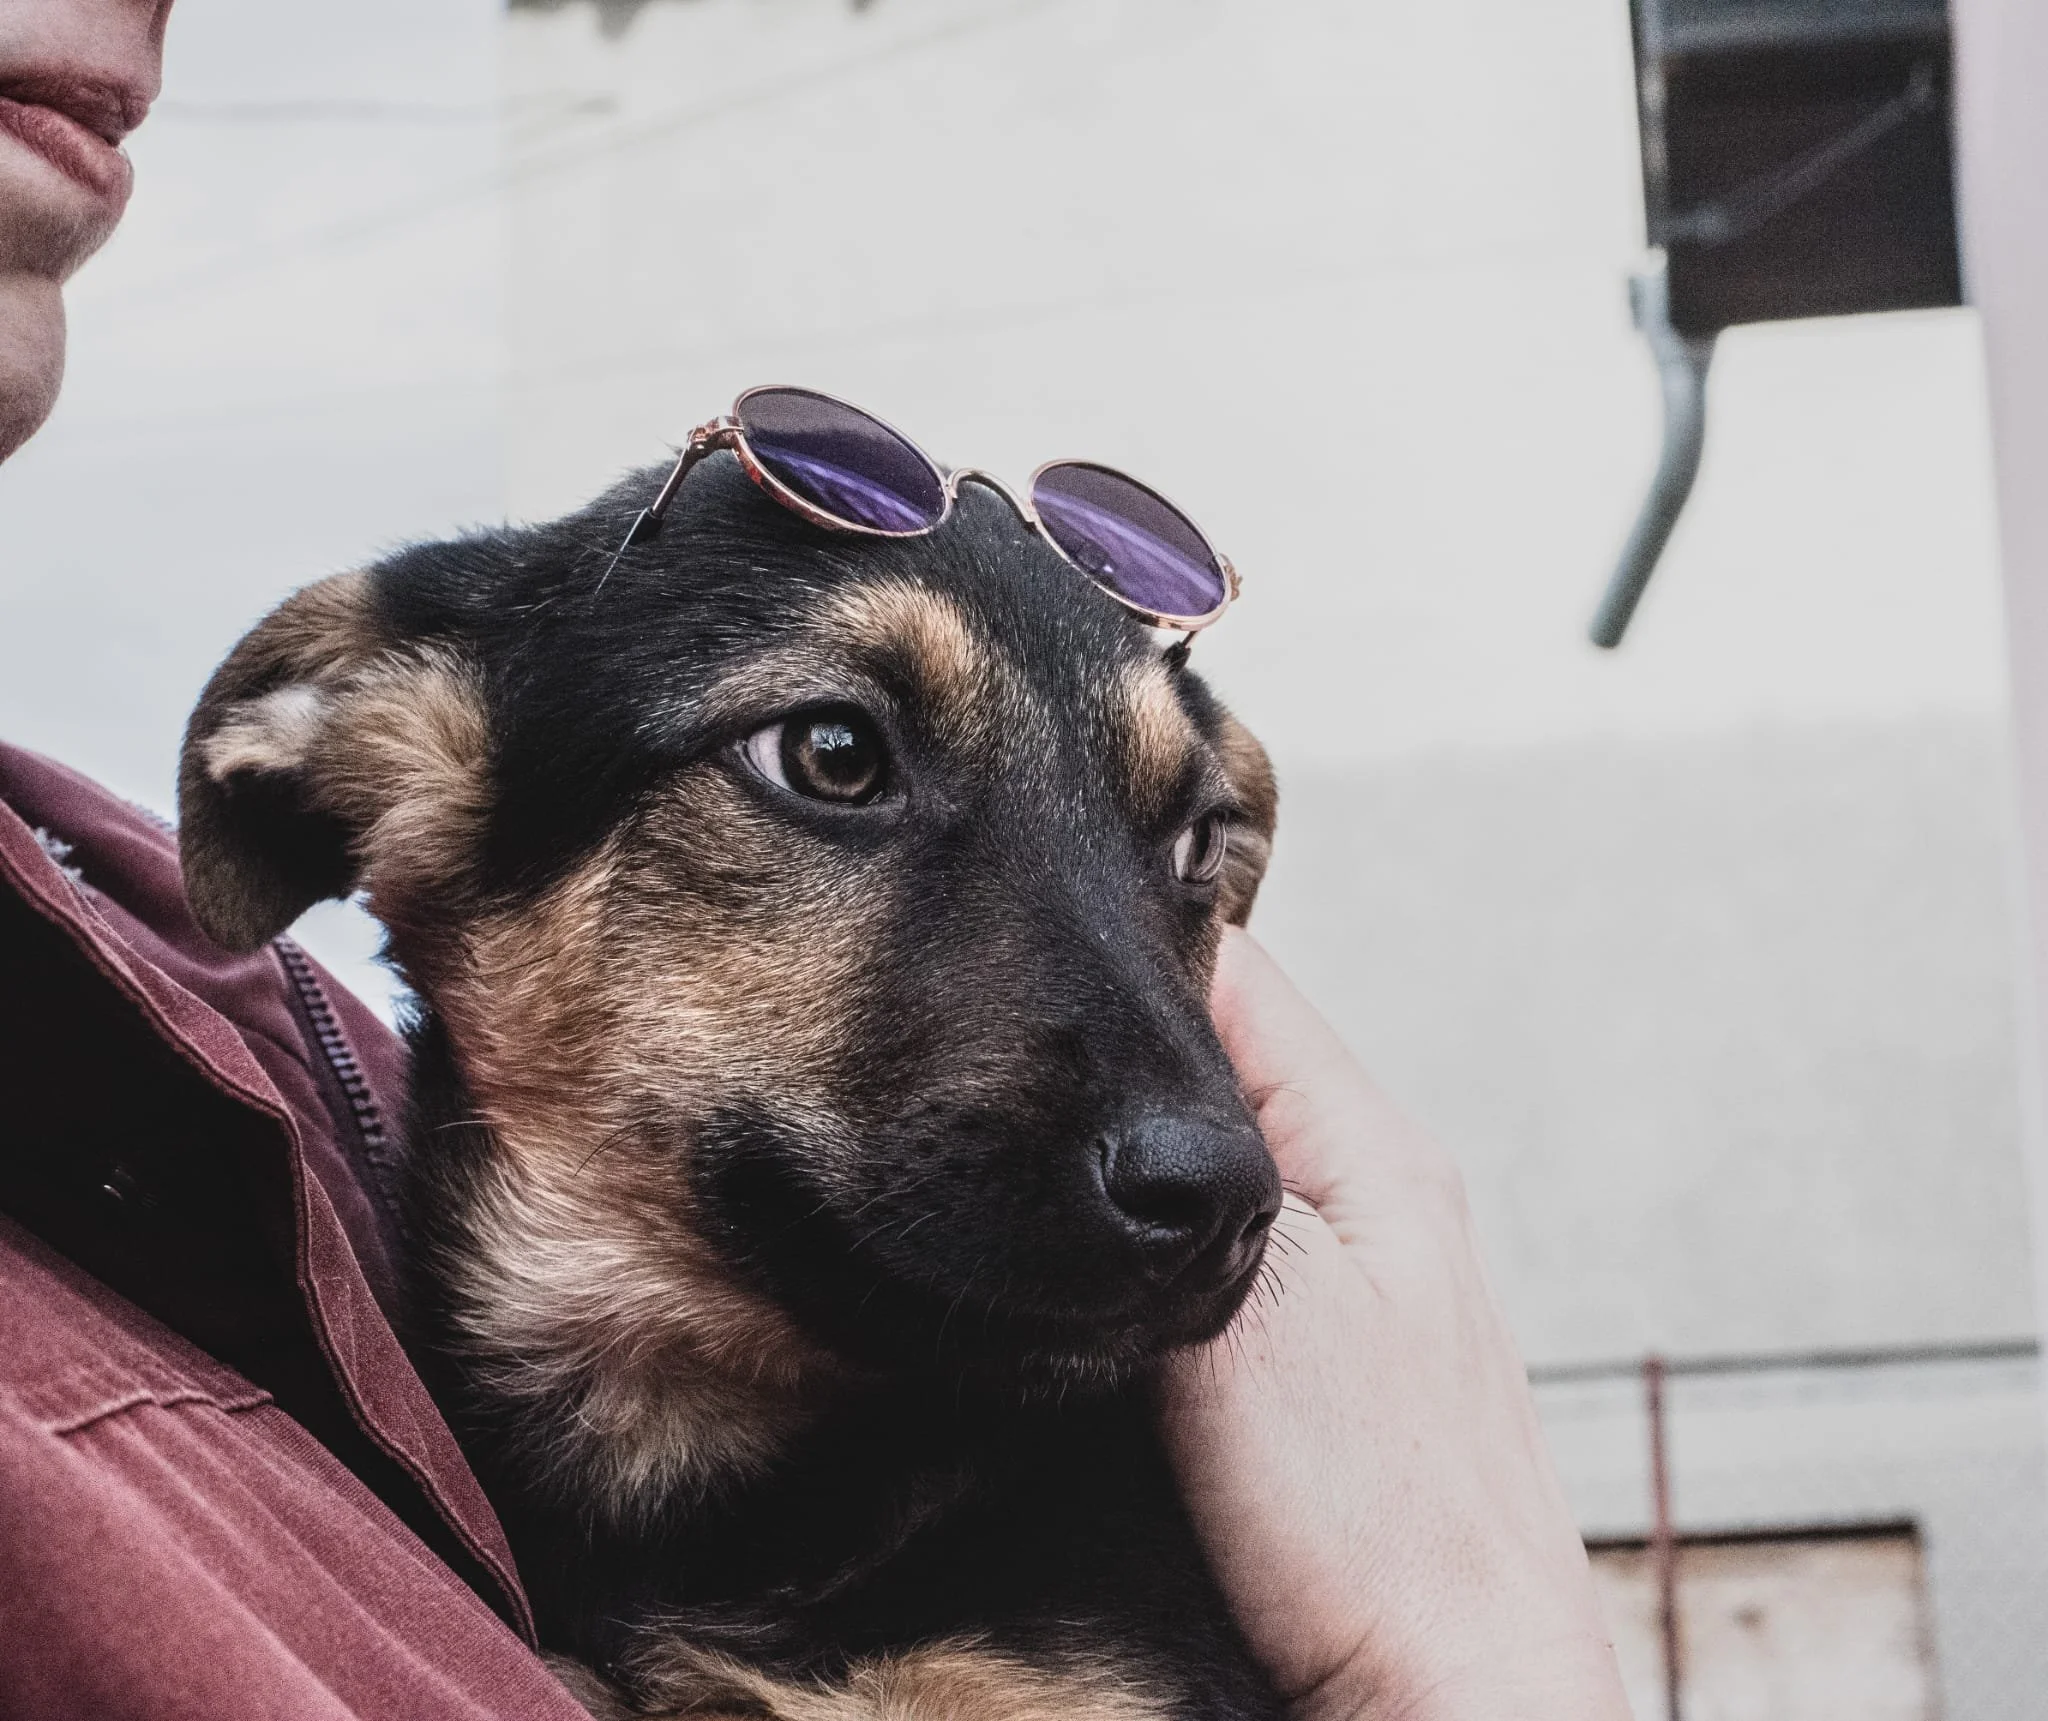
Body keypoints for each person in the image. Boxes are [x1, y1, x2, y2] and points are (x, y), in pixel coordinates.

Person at [0, 3, 1629, 1715]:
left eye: (1179, 846)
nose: (1199, 1143)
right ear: (392, 773)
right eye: (831, 759)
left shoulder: (187, 1077)